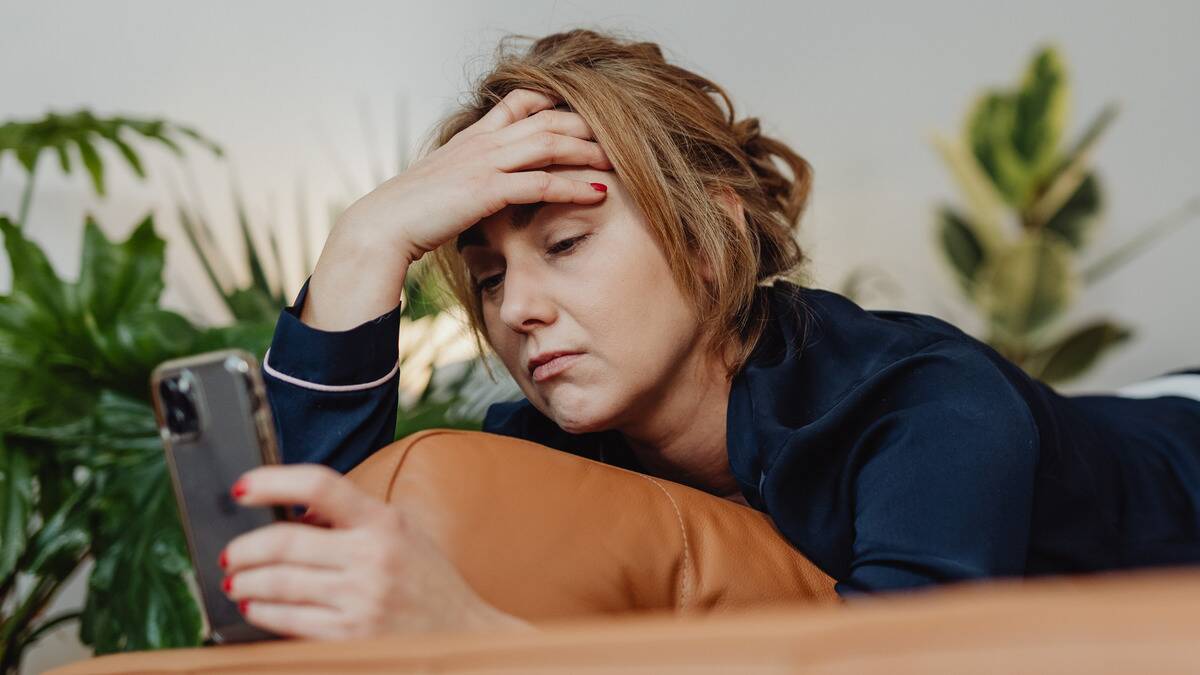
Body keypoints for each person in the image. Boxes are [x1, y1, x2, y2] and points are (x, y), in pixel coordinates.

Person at [218, 28, 1200, 640]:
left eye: (565, 242)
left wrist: (486, 639)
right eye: (488, 277)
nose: (517, 308)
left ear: (707, 237)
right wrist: (365, 242)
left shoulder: (924, 404)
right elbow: (299, 559)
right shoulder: (553, 449)